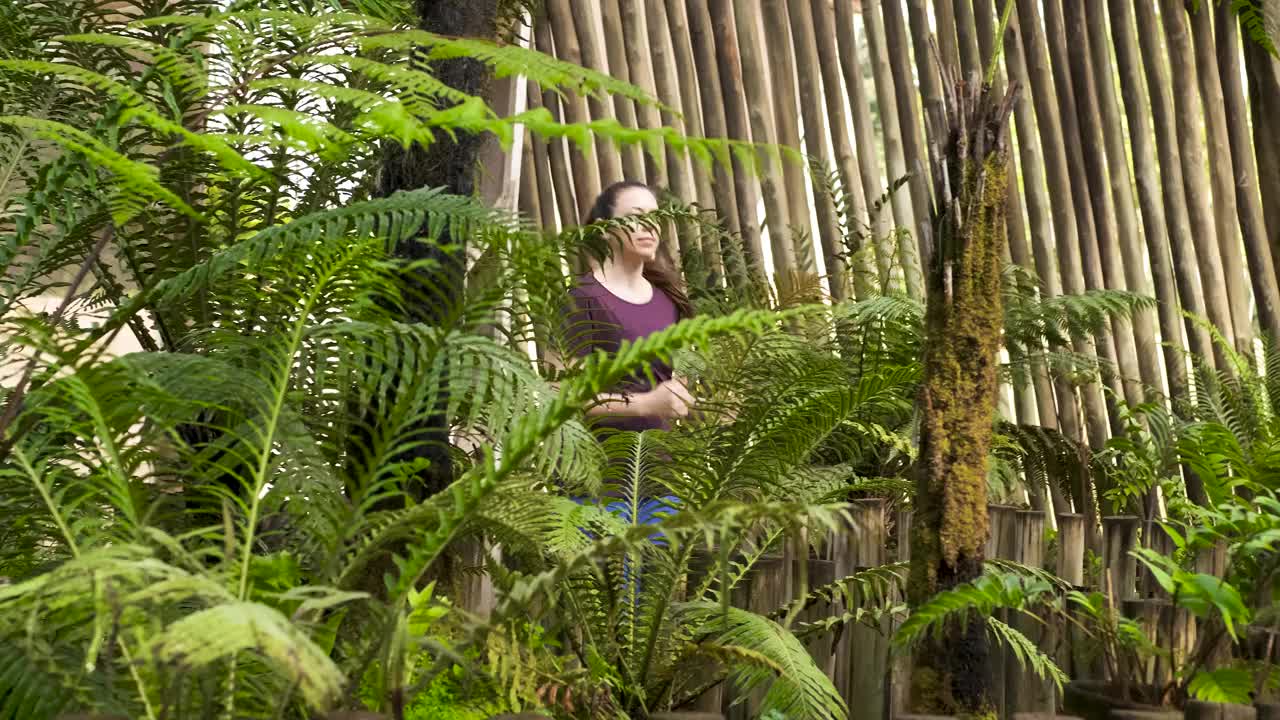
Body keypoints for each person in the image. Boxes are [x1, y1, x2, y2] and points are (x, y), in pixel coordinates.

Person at [547, 180, 695, 530]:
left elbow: (674, 383)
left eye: (655, 216)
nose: (649, 225)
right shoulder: (581, 299)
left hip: (658, 486)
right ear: (604, 229)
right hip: (593, 485)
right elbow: (559, 395)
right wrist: (646, 404)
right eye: (635, 215)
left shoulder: (670, 300)